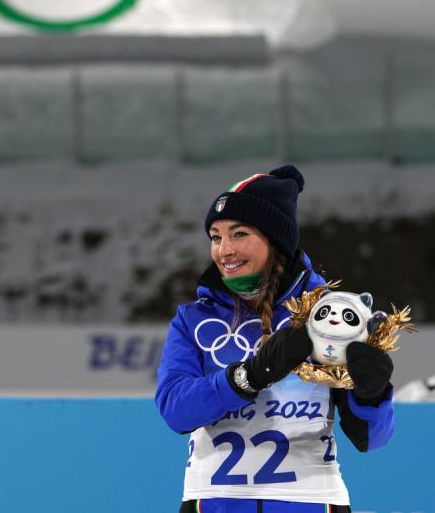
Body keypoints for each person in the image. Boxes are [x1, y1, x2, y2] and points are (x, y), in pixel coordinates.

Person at [155, 165, 395, 513]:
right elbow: (176, 411)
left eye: (239, 234)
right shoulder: (194, 320)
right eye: (216, 237)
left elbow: (372, 439)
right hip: (214, 504)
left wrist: (372, 395)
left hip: (313, 504)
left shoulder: (331, 318)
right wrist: (248, 376)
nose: (224, 250)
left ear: (276, 240)